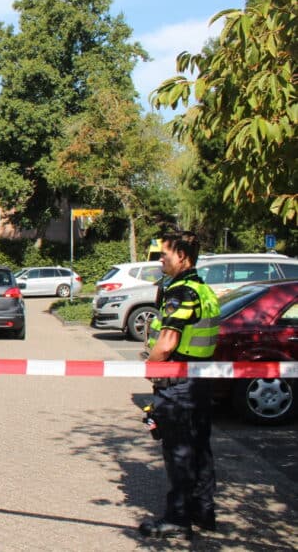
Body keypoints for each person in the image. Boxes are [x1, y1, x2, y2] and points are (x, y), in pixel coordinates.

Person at [138, 230, 219, 540]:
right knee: (200, 447)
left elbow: (168, 341)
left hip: (178, 382)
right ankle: (203, 510)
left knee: (178, 451)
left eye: (165, 254)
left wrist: (151, 366)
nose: (160, 259)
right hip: (199, 380)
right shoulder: (205, 290)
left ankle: (178, 518)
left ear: (182, 257)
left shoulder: (181, 292)